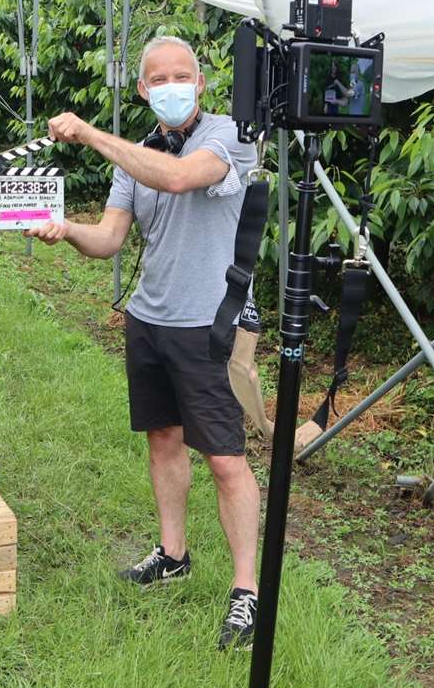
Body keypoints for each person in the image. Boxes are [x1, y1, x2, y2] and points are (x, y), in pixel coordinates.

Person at [30, 35, 262, 651]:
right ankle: (173, 552)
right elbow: (110, 239)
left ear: (202, 81)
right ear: (142, 89)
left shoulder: (230, 137)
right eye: (157, 79)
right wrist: (66, 231)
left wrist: (88, 133)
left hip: (210, 321)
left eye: (181, 75)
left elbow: (184, 177)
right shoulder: (135, 159)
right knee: (163, 439)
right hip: (150, 317)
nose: (170, 86)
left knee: (225, 457)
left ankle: (246, 591)